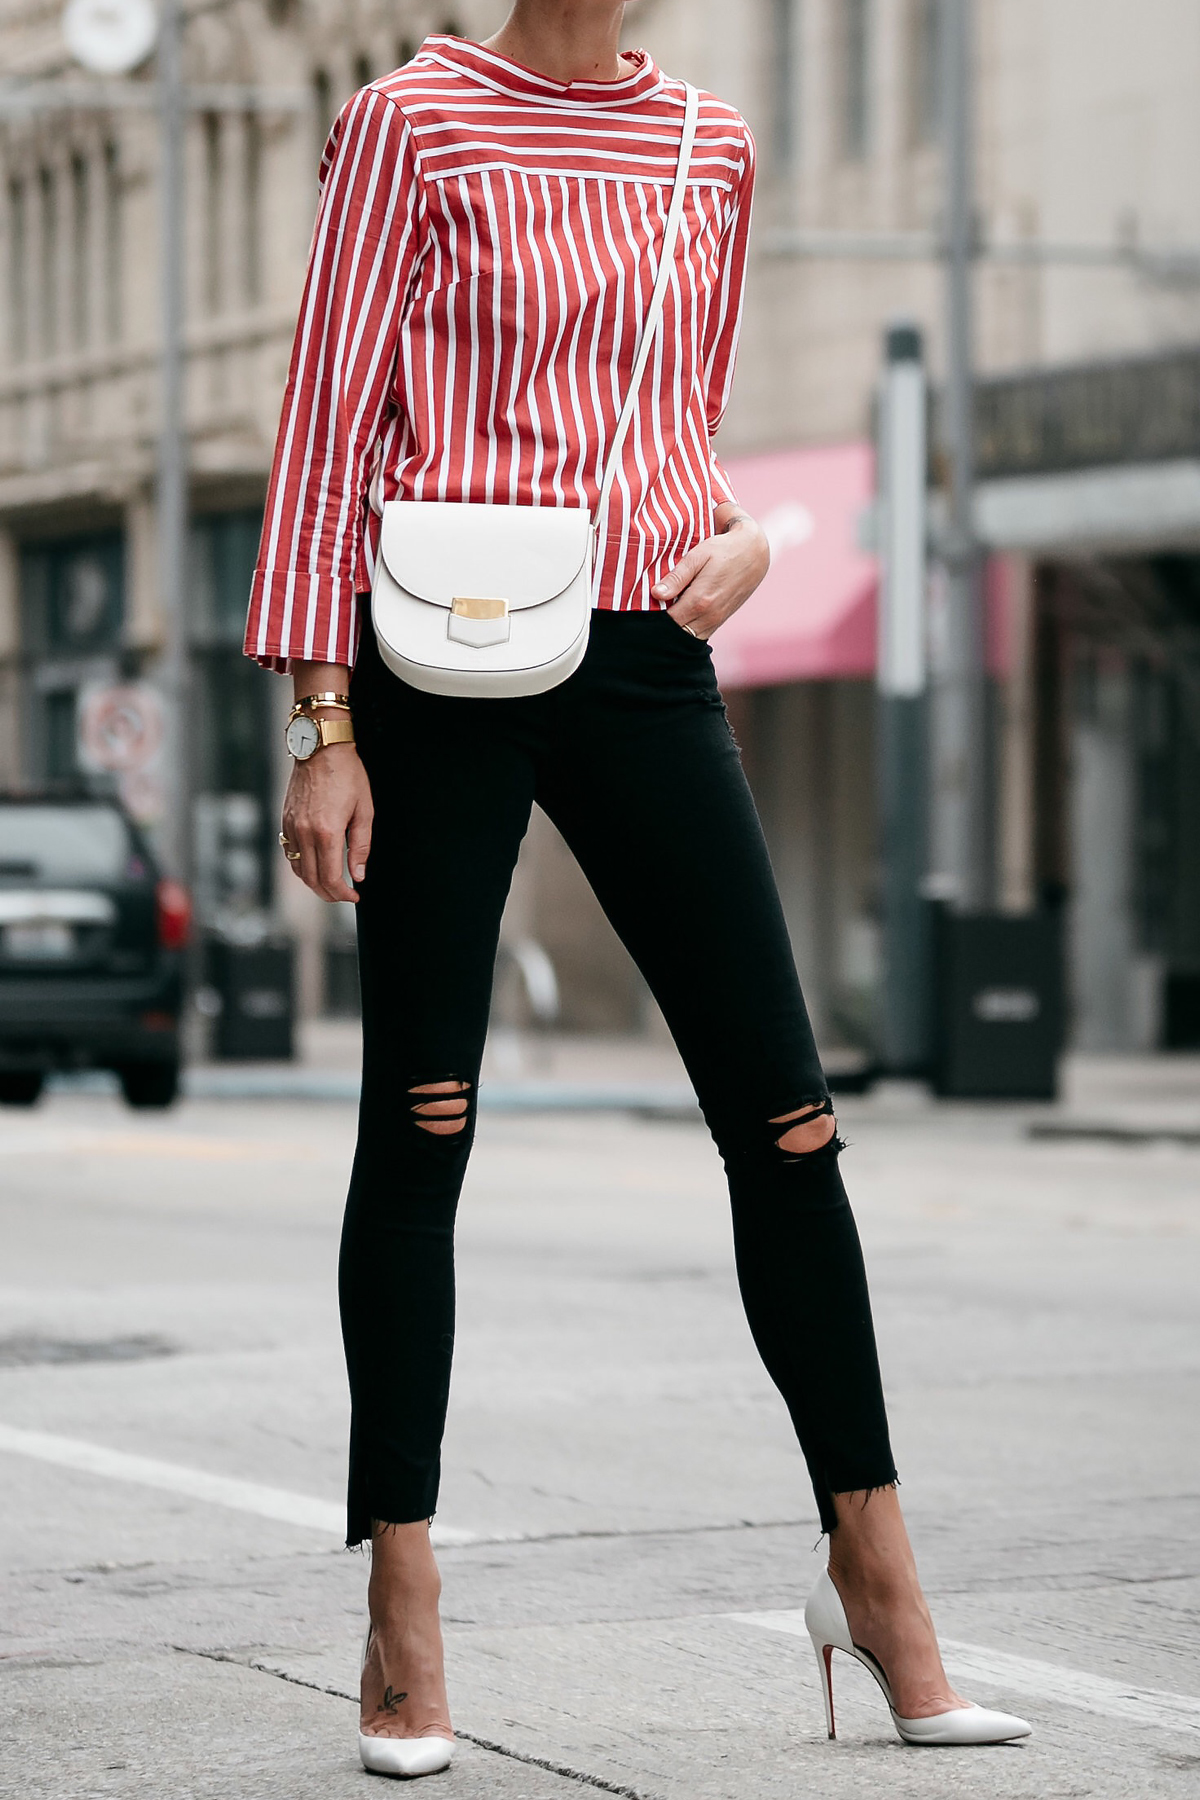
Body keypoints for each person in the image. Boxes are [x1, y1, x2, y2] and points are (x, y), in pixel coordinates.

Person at [245, 2, 1030, 1776]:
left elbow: (658, 422)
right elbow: (325, 418)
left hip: (648, 659)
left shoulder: (713, 145)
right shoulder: (411, 119)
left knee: (788, 1120)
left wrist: (746, 533)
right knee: (423, 1124)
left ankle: (881, 1579)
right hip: (437, 667)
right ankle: (404, 1601)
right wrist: (321, 717)